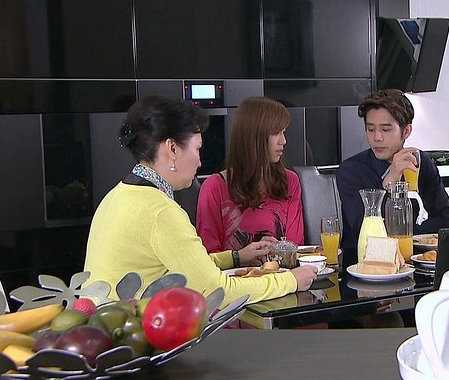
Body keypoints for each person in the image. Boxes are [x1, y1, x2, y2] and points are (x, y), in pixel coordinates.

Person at [84, 96, 317, 307]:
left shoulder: (117, 195)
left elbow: (189, 264)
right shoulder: (161, 212)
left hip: (105, 328)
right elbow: (217, 292)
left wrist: (236, 257)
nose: (199, 162)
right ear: (172, 148)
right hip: (132, 332)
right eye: (197, 149)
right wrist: (290, 281)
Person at [337, 89, 449, 266]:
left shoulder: (420, 163)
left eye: (386, 129)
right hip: (364, 267)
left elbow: (446, 223)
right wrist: (390, 180)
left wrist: (411, 238)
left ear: (406, 131)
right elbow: (364, 231)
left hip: (419, 264)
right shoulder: (351, 170)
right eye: (370, 129)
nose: (377, 137)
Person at [196, 97, 304, 253]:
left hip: (281, 268)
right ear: (254, 136)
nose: (283, 141)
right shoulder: (214, 187)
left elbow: (296, 246)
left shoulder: (289, 181)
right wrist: (242, 256)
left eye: (283, 132)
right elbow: (208, 256)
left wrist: (275, 249)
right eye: (276, 133)